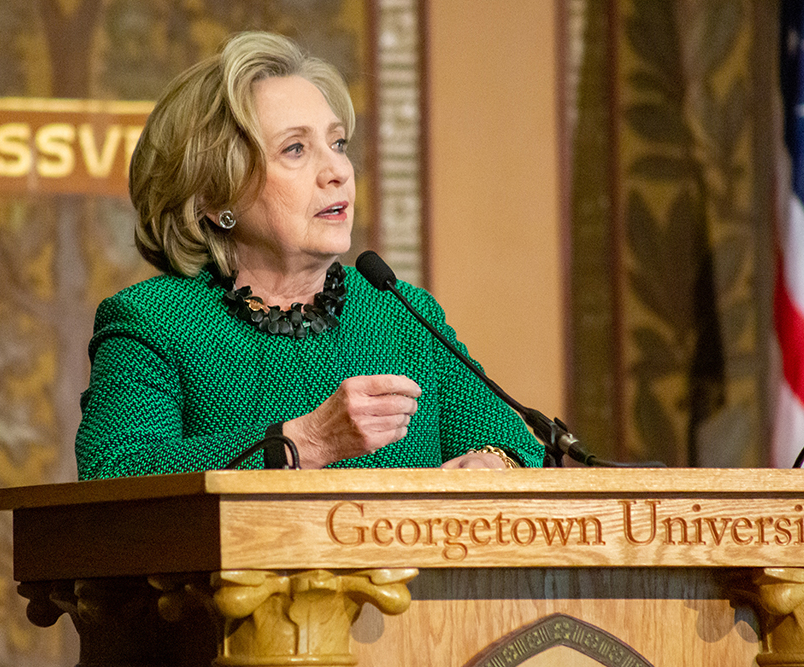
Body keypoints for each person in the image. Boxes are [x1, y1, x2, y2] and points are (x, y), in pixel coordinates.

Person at [74, 31, 545, 479]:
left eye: (337, 143)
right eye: (296, 148)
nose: (338, 170)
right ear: (214, 199)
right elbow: (117, 471)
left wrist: (494, 464)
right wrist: (305, 442)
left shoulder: (401, 314)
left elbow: (514, 445)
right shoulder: (154, 321)